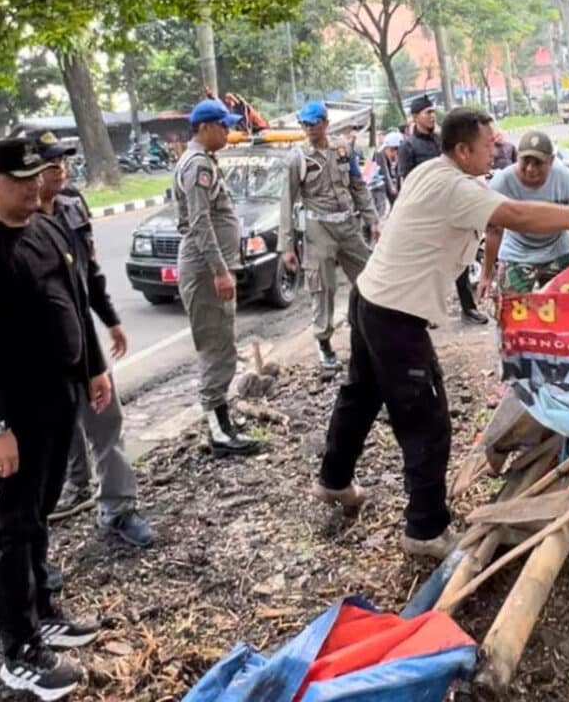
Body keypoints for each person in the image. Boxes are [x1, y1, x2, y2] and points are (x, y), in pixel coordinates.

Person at [314, 107, 569, 558]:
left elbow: (498, 217)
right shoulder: (453, 186)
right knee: (427, 420)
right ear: (463, 150)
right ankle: (424, 530)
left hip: (369, 298)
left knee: (360, 395)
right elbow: (517, 216)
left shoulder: (432, 171)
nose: (496, 151)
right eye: (488, 146)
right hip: (394, 315)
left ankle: (334, 480)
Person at [0, 138, 110, 700]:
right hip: (12, 418)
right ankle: (19, 647)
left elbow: (75, 299)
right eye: (21, 180)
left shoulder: (47, 229)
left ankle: (44, 610)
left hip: (58, 398)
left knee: (42, 511)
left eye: (38, 175)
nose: (36, 185)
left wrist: (93, 369)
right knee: (16, 524)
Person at [34, 133, 154, 549]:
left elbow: (90, 274)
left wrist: (111, 319)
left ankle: (118, 508)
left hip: (81, 335)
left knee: (105, 420)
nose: (60, 169)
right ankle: (71, 487)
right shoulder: (20, 223)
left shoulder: (71, 207)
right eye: (50, 164)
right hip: (41, 347)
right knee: (58, 429)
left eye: (63, 162)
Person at [175, 100, 261, 457]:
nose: (227, 132)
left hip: (212, 268)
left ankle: (222, 419)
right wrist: (220, 270)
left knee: (223, 343)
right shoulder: (197, 165)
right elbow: (200, 223)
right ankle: (218, 431)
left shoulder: (204, 161)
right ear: (204, 127)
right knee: (215, 346)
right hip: (205, 269)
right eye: (223, 126)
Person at [280, 101, 380, 371]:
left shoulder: (342, 149)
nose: (310, 129)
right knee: (322, 287)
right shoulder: (298, 157)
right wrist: (286, 246)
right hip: (318, 229)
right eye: (305, 124)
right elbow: (287, 203)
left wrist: (371, 218)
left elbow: (358, 186)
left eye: (314, 123)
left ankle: (370, 330)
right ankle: (324, 342)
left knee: (369, 277)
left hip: (347, 225)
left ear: (325, 122)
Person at [398, 95, 488, 325]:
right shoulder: (408, 145)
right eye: (427, 112)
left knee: (460, 257)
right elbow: (407, 181)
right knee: (425, 265)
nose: (431, 116)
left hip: (451, 207)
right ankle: (424, 312)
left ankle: (468, 308)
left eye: (433, 112)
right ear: (415, 116)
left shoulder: (441, 140)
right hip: (426, 212)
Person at [479, 130, 569, 297]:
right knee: (512, 311)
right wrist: (486, 274)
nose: (530, 169)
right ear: (517, 158)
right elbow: (494, 230)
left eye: (538, 163)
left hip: (557, 250)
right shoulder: (502, 182)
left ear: (551, 161)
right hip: (516, 253)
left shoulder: (568, 181)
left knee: (567, 310)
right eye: (525, 162)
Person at [367, 131, 402, 217]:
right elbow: (385, 172)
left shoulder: (386, 152)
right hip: (376, 186)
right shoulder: (380, 153)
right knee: (379, 210)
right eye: (394, 150)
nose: (395, 153)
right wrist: (392, 188)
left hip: (381, 184)